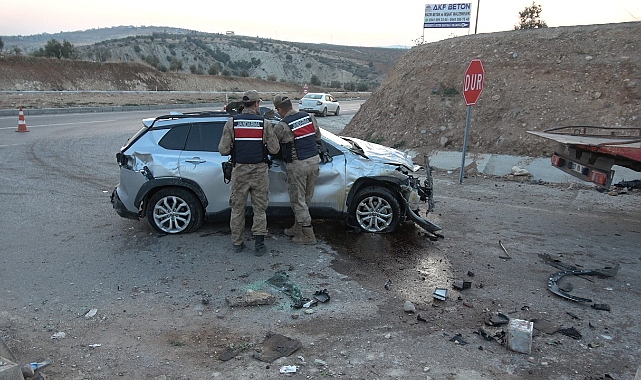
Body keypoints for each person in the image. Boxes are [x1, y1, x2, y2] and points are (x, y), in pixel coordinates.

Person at [219, 90, 280, 255]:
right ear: (256, 104)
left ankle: (237, 243)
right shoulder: (264, 123)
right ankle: (259, 246)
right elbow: (275, 149)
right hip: (259, 171)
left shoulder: (232, 123)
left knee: (237, 208)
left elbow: (223, 150)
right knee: (260, 209)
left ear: (243, 104)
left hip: (240, 171)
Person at [272, 94, 322, 244]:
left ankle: (308, 235)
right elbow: (317, 137)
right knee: (306, 199)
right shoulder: (308, 117)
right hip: (314, 161)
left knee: (297, 200)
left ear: (280, 109)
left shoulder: (282, 126)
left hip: (298, 165)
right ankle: (297, 228)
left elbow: (273, 147)